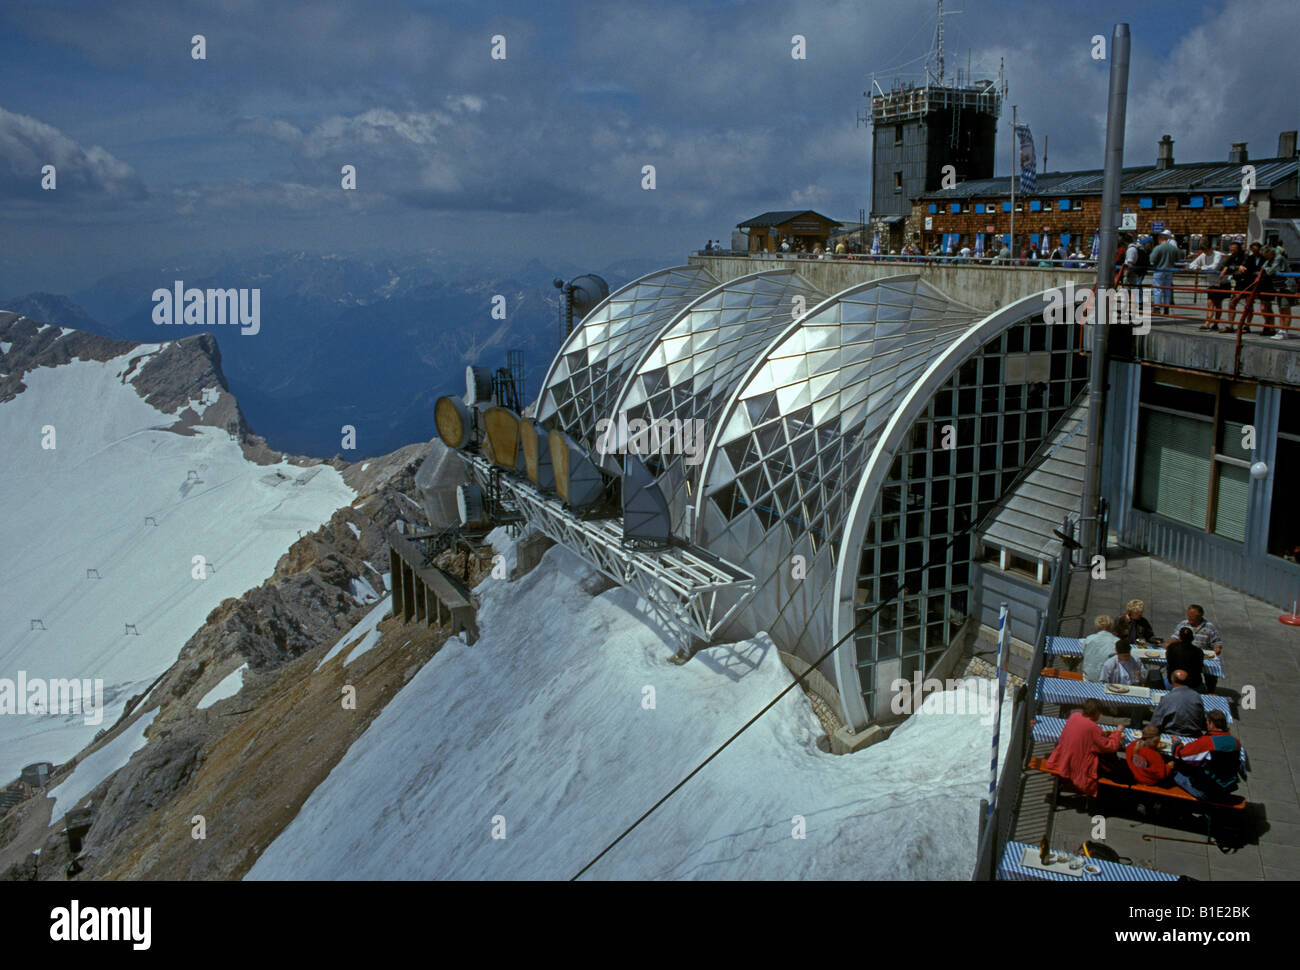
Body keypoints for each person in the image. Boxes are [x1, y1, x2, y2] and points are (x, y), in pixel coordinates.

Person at [1045, 698, 1126, 797]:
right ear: (1096, 713)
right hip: (1078, 764)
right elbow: (1110, 747)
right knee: (1112, 766)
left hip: (1064, 757)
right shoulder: (1093, 728)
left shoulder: (1074, 716)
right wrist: (1118, 732)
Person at [1171, 710, 1243, 802]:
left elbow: (1181, 755)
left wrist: (1177, 743)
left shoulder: (1208, 742)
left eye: (1207, 722)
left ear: (1211, 724)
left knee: (1174, 772)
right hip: (1226, 788)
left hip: (1207, 791)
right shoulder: (1236, 742)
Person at [1166, 603, 1222, 692]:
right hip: (1185, 652)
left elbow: (1217, 642)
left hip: (1201, 656)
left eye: (1191, 616)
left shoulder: (1209, 627)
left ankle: (1210, 691)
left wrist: (1217, 648)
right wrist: (1170, 643)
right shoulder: (1183, 624)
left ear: (1199, 616)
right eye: (1188, 615)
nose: (1189, 618)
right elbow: (1174, 637)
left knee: (1211, 674)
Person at [1150, 669, 1206, 736]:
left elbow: (1155, 722)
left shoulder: (1167, 698)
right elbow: (1201, 718)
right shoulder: (1197, 696)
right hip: (1194, 735)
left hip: (1171, 734)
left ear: (1172, 680)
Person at [1189, 241, 1225, 329]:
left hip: (1220, 282)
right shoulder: (1203, 256)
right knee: (1210, 303)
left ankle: (1215, 323)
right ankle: (1207, 323)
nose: (1205, 252)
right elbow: (1191, 265)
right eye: (1203, 250)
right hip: (1211, 282)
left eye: (1206, 250)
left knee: (1218, 304)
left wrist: (1201, 268)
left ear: (1210, 248)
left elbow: (1214, 267)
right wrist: (1198, 267)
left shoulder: (1218, 255)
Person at [1081, 615, 1119, 682]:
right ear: (1111, 627)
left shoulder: (1089, 638)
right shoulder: (1116, 641)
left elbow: (1084, 653)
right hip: (1108, 679)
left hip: (1088, 677)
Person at [1150, 230, 1179, 315]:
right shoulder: (1173, 248)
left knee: (1157, 289)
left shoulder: (1158, 248)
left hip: (1159, 270)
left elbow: (1152, 259)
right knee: (1167, 289)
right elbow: (1177, 259)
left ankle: (1157, 307)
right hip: (1169, 270)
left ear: (1160, 240)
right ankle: (1166, 308)